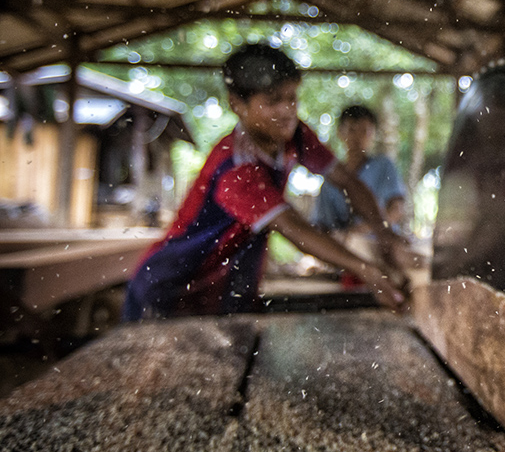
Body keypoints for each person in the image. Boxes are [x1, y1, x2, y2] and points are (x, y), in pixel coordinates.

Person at [122, 43, 407, 320]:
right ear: (237, 104)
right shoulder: (234, 169)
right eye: (272, 101)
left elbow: (347, 180)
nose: (287, 111)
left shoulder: (293, 135)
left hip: (226, 293)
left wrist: (385, 234)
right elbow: (292, 226)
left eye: (292, 98)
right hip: (169, 292)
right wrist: (367, 270)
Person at [311, 104, 409, 289]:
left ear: (373, 134)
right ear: (341, 133)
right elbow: (321, 226)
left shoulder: (383, 166)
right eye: (352, 130)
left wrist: (366, 229)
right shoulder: (330, 181)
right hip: (346, 252)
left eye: (365, 131)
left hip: (381, 246)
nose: (358, 137)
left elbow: (396, 210)